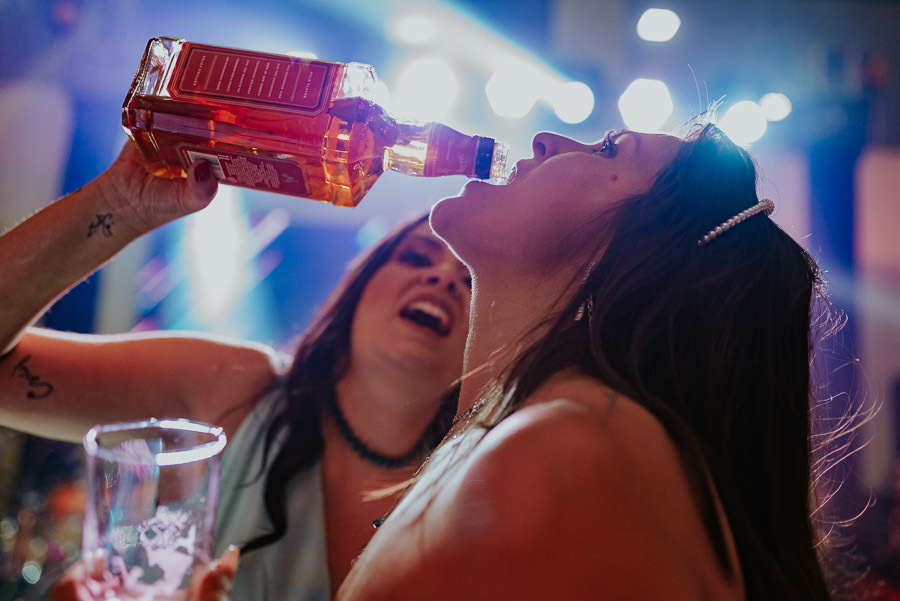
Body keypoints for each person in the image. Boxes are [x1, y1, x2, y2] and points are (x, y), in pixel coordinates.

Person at [334, 123, 855, 601]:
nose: (543, 139)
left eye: (609, 148)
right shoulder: (542, 434)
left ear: (651, 245)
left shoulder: (570, 454)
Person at [0, 143, 472, 599]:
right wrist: (117, 203)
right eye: (415, 257)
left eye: (471, 279)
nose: (443, 278)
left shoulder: (483, 489)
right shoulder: (237, 388)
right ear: (356, 291)